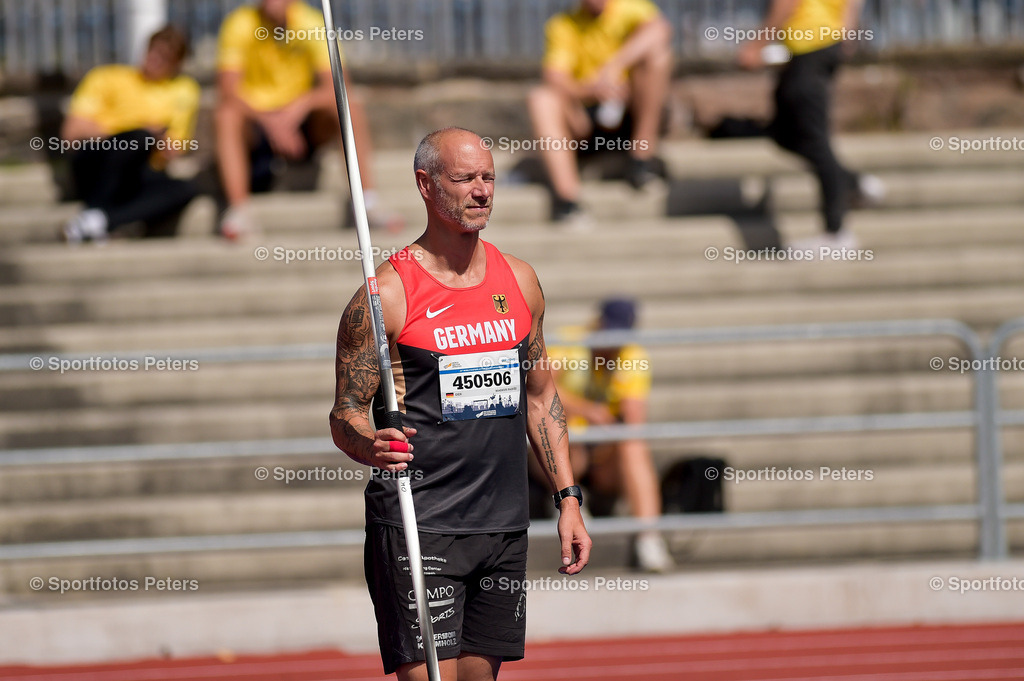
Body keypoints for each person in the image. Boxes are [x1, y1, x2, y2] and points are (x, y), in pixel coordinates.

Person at [329, 127, 591, 681]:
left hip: (501, 523)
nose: (482, 191)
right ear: (426, 185)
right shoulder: (386, 297)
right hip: (421, 521)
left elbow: (542, 399)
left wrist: (567, 498)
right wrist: (366, 442)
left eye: (488, 177)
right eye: (465, 178)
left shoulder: (519, 281)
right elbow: (346, 411)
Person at [214, 0, 398, 238]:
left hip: (301, 124)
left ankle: (367, 201)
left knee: (349, 104)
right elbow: (228, 90)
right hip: (257, 124)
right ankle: (239, 209)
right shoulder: (239, 23)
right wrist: (272, 122)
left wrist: (298, 107)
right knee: (226, 114)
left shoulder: (311, 21)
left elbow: (339, 84)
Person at [738, 0, 884, 254]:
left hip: (812, 46)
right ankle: (853, 182)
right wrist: (847, 28)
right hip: (820, 45)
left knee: (813, 138)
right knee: (784, 132)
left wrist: (756, 45)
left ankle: (836, 233)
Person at [546, 298, 673, 573]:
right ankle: (570, 500)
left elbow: (634, 419)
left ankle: (649, 538)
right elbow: (541, 392)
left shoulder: (631, 356)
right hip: (564, 446)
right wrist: (588, 410)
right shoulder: (569, 342)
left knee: (633, 443)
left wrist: (619, 407)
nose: (612, 342)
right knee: (562, 432)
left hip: (601, 452)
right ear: (598, 323)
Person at [528, 0, 672, 225]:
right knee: (541, 98)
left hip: (629, 110)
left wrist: (613, 68)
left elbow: (660, 30)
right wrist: (591, 89)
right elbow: (554, 77)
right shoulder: (563, 25)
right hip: (585, 117)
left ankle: (642, 158)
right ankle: (568, 200)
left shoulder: (631, 9)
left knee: (658, 56)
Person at [61, 26, 200, 243]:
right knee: (138, 138)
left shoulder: (184, 90)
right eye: (153, 52)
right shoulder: (106, 77)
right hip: (96, 163)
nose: (155, 60)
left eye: (165, 58)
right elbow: (72, 133)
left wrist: (158, 144)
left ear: (177, 64)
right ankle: (97, 209)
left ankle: (99, 219)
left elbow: (174, 150)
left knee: (185, 188)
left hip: (137, 174)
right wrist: (132, 134)